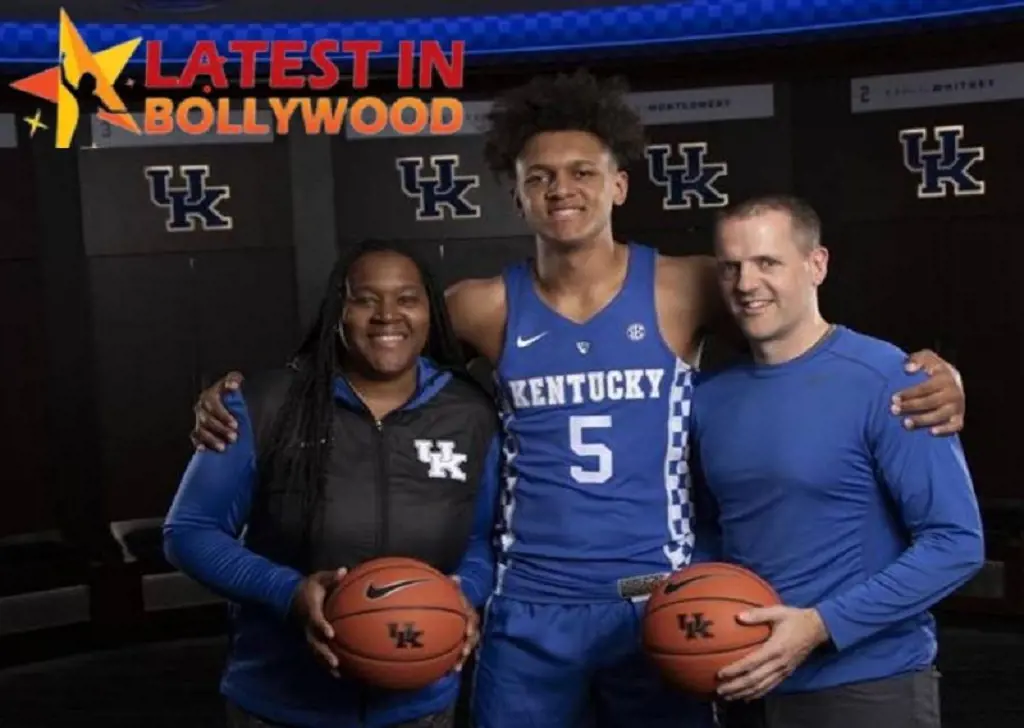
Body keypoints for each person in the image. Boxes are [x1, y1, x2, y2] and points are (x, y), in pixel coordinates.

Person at [188, 71, 967, 728]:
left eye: (583, 172)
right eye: (540, 177)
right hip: (528, 605)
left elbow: (802, 333)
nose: (563, 189)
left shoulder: (688, 283)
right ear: (517, 196)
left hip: (659, 599)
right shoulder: (479, 306)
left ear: (618, 183)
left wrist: (928, 372)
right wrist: (241, 395)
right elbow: (366, 347)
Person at [163, 240, 501, 728]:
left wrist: (459, 596)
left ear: (431, 314)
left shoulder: (472, 413)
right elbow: (189, 531)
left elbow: (481, 540)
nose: (387, 315)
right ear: (336, 312)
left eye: (407, 298)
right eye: (365, 298)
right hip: (280, 702)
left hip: (419, 704)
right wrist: (289, 592)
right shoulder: (263, 403)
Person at [692, 195, 984, 728]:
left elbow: (957, 544)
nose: (746, 283)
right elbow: (715, 531)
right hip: (746, 683)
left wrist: (821, 625)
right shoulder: (707, 397)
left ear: (816, 264)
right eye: (730, 266)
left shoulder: (892, 380)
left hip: (866, 686)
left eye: (767, 262)